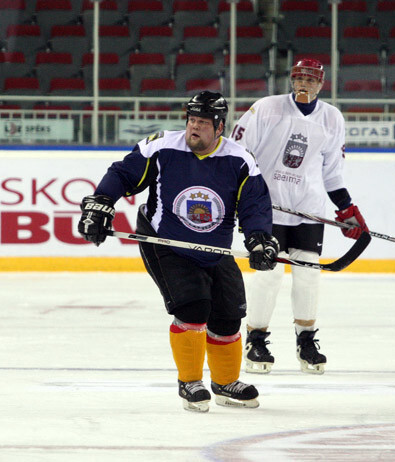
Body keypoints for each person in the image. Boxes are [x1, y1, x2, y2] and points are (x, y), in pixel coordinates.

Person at [77, 91, 279, 412]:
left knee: (229, 314)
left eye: (202, 122)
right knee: (193, 306)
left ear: (219, 126)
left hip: (215, 248)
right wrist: (101, 202)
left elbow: (254, 203)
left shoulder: (239, 159)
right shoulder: (161, 147)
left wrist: (258, 237)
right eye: (191, 120)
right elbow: (122, 174)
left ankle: (225, 383)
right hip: (165, 241)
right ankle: (190, 381)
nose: (194, 128)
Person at [230, 58, 369, 375]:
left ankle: (305, 339)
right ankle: (255, 338)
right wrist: (242, 194)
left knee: (308, 275)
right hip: (267, 209)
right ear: (292, 81)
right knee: (270, 274)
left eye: (311, 79)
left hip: (309, 209)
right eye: (299, 78)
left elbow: (332, 173)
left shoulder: (332, 118)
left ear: (322, 84)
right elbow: (236, 151)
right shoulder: (267, 108)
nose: (304, 84)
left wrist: (347, 209)